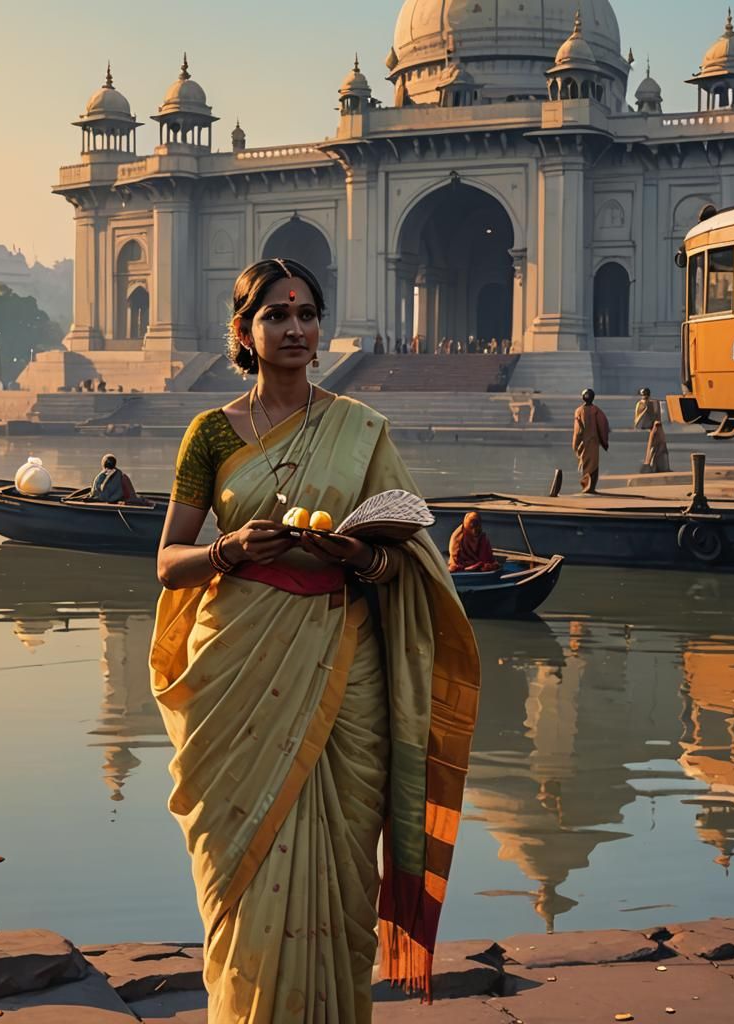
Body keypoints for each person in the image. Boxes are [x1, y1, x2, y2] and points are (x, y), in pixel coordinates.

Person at [152, 257, 480, 1023]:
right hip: (237, 661)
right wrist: (230, 552)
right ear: (244, 331)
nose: (295, 328)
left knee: (339, 871)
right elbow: (170, 563)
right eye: (276, 315)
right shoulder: (209, 434)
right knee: (241, 872)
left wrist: (359, 554)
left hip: (342, 662)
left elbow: (410, 554)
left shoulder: (361, 431)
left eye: (306, 315)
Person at [573, 388, 610, 493]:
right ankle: (591, 488)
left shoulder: (579, 411)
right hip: (593, 442)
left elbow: (577, 430)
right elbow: (603, 426)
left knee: (585, 464)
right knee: (593, 465)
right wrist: (604, 441)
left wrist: (576, 445)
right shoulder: (597, 410)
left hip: (584, 443)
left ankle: (586, 487)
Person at [634, 387, 671, 473]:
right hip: (648, 426)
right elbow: (637, 421)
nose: (645, 398)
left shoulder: (654, 403)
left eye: (646, 396)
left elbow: (657, 417)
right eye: (644, 397)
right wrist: (645, 410)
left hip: (654, 426)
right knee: (653, 446)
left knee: (659, 445)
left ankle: (660, 465)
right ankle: (651, 465)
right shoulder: (640, 404)